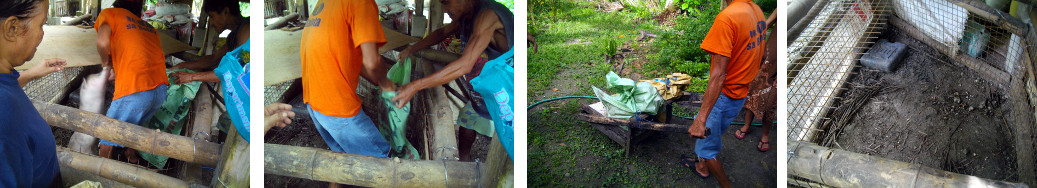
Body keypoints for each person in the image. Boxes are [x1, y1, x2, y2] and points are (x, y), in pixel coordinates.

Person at [394, 0, 515, 160]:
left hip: (505, 92)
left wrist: (415, 86)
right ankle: (464, 161)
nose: (444, 10)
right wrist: (412, 48)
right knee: (467, 120)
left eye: (447, 3)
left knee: (507, 134)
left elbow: (465, 64)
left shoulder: (488, 15)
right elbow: (441, 33)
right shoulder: (467, 17)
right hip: (485, 91)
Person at [299, 0, 397, 186]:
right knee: (385, 162)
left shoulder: (327, 3)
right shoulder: (362, 2)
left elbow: (350, 57)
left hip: (314, 102)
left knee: (341, 156)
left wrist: (380, 83)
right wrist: (388, 85)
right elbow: (372, 61)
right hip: (336, 106)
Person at [684, 0, 767, 187]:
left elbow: (719, 74)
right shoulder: (756, 11)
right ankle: (702, 165)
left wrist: (700, 119)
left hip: (723, 98)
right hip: (739, 95)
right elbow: (761, 55)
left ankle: (721, 181)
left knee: (706, 147)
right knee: (711, 135)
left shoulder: (727, 18)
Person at [0, 0, 68, 186]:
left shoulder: (6, 79)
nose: (42, 34)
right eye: (42, 24)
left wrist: (29, 74)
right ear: (12, 28)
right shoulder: (4, 114)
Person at [94, 0, 169, 163]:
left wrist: (104, 62)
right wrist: (115, 69)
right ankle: (131, 156)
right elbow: (139, 54)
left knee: (107, 133)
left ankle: (100, 172)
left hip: (136, 90)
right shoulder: (148, 27)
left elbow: (102, 42)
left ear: (117, 6)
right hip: (160, 90)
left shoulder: (109, 14)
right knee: (134, 126)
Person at [169, 0, 250, 84]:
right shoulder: (233, 36)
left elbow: (234, 70)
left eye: (212, 16)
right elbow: (214, 59)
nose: (211, 23)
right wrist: (182, 66)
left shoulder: (247, 29)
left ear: (226, 12)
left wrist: (191, 77)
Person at [735, 12, 777, 152]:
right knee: (754, 90)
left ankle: (765, 135)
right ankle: (747, 125)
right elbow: (769, 21)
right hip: (769, 56)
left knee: (771, 101)